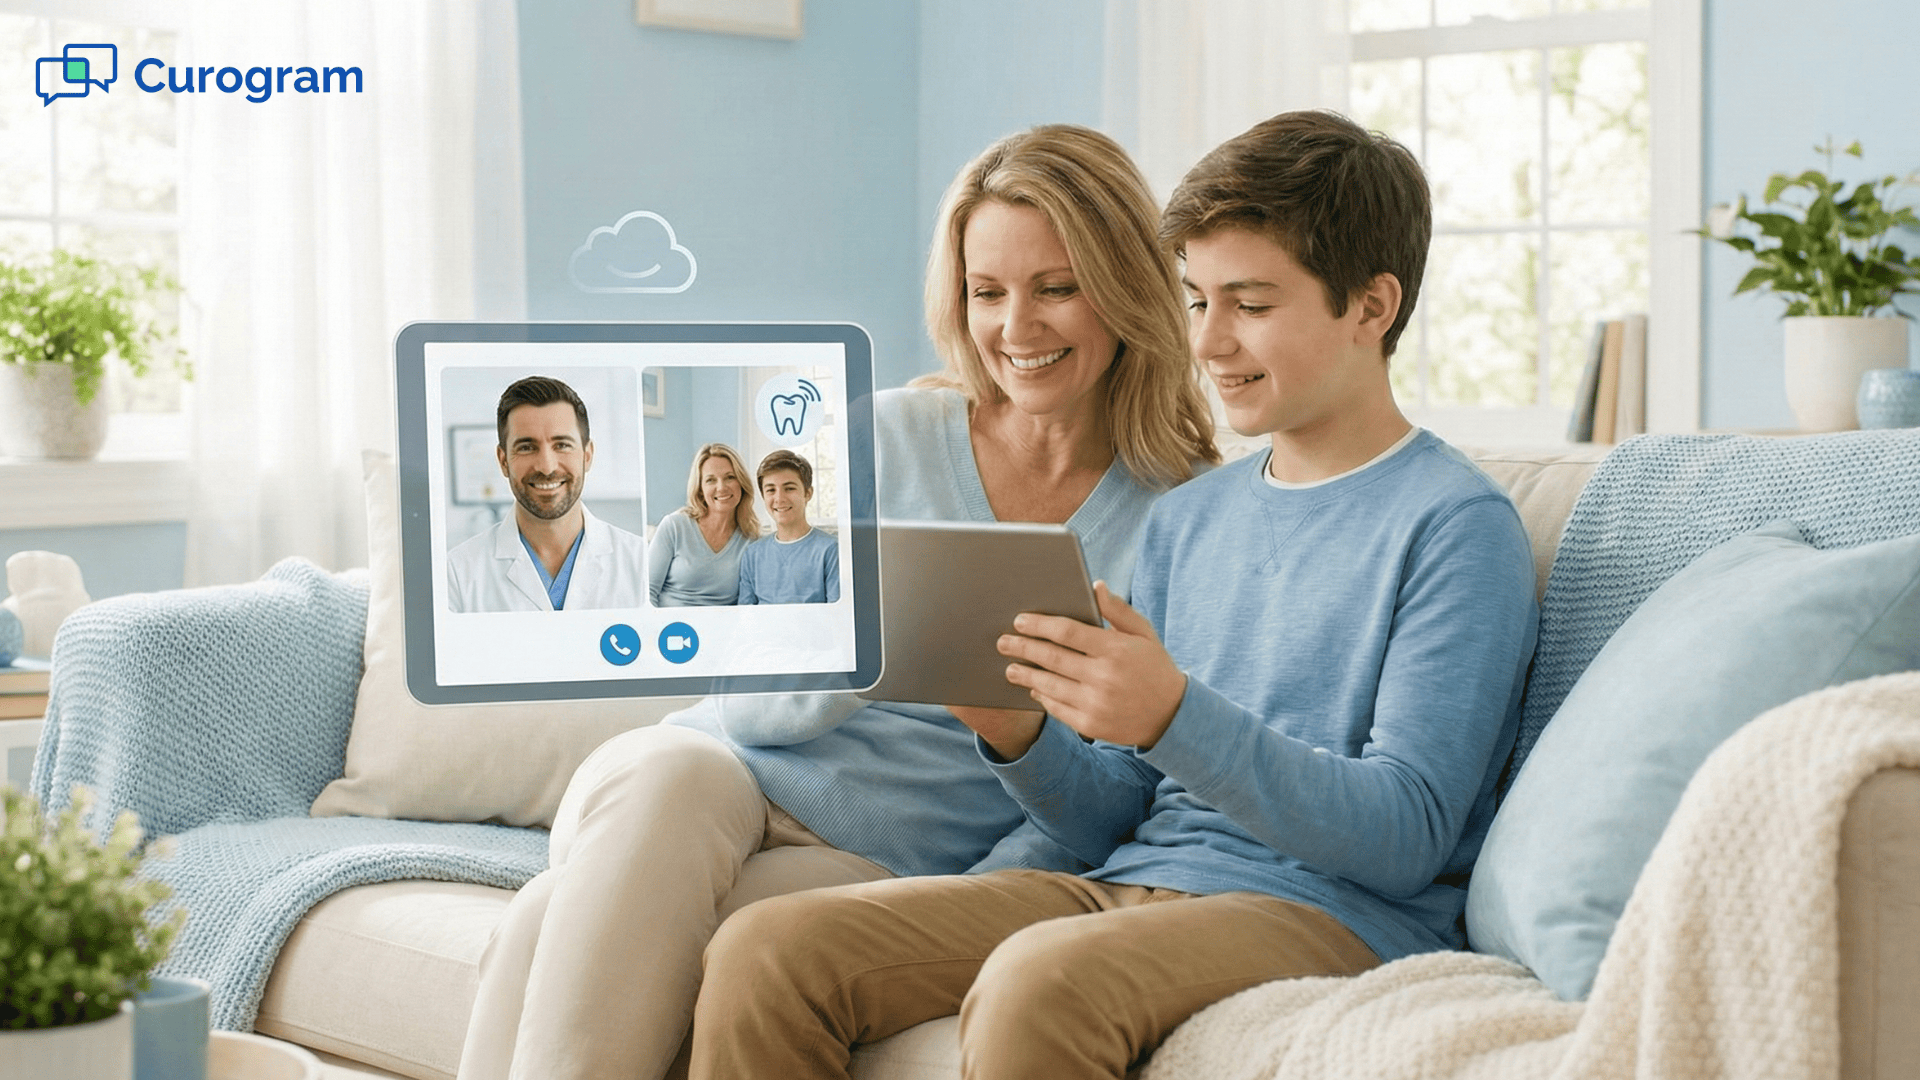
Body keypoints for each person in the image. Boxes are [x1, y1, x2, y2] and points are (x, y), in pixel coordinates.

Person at [686, 110, 1541, 1080]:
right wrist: (1017, 731)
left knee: (1037, 982)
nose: (1210, 343)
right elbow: (1112, 815)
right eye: (1197, 301)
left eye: (1250, 303)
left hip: (1331, 911)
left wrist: (1172, 714)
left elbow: (1405, 835)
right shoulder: (1192, 518)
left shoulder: (1456, 526)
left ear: (1371, 307)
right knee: (766, 954)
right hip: (1128, 882)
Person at [456, 124, 1218, 1080]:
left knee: (545, 922)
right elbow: (746, 702)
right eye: (988, 292)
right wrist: (866, 646)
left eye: (1056, 288)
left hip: (889, 853)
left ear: (1125, 289)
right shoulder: (884, 434)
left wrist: (971, 897)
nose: (1016, 329)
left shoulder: (1185, 513)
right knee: (673, 780)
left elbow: (1115, 808)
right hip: (719, 775)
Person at [446, 375, 647, 613]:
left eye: (562, 445)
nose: (547, 467)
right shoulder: (456, 573)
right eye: (526, 447)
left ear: (587, 455)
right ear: (503, 461)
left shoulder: (642, 563)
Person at [647, 443, 759, 606]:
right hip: (670, 628)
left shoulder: (752, 540)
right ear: (700, 489)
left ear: (741, 483)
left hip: (721, 628)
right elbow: (647, 592)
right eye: (710, 480)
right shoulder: (675, 526)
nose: (721, 487)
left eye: (730, 477)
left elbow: (749, 602)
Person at [736, 449, 839, 605]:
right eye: (771, 490)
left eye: (789, 488)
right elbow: (745, 616)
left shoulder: (830, 550)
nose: (779, 498)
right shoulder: (753, 554)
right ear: (764, 497)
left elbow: (837, 615)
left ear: (808, 493)